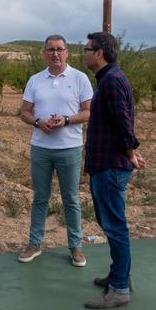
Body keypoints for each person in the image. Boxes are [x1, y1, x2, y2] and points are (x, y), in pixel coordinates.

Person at [82, 31, 146, 309]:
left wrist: (130, 152)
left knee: (115, 226)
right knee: (110, 224)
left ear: (99, 52)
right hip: (104, 164)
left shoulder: (112, 81)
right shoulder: (108, 80)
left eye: (87, 49)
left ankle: (119, 289)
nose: (83, 53)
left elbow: (123, 123)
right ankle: (120, 275)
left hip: (110, 165)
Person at [17, 35, 93, 267]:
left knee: (71, 199)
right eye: (50, 49)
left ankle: (76, 246)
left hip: (69, 148)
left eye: (60, 49)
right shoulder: (35, 80)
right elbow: (25, 112)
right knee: (40, 197)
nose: (55, 53)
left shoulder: (80, 78)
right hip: (41, 147)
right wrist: (38, 122)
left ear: (67, 52)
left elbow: (89, 112)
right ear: (44, 53)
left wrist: (67, 120)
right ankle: (35, 243)